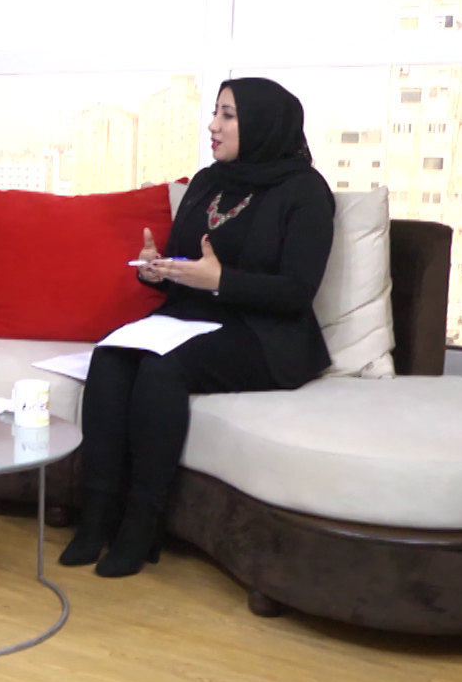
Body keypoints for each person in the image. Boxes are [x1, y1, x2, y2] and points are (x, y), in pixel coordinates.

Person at [61, 77, 336, 578]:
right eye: (215, 113)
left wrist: (222, 281)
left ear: (262, 124)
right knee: (111, 355)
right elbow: (187, 264)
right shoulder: (209, 181)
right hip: (191, 318)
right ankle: (96, 515)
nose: (213, 125)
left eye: (228, 115)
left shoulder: (305, 192)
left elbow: (297, 291)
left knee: (162, 370)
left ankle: (142, 526)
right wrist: (157, 269)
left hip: (264, 333)